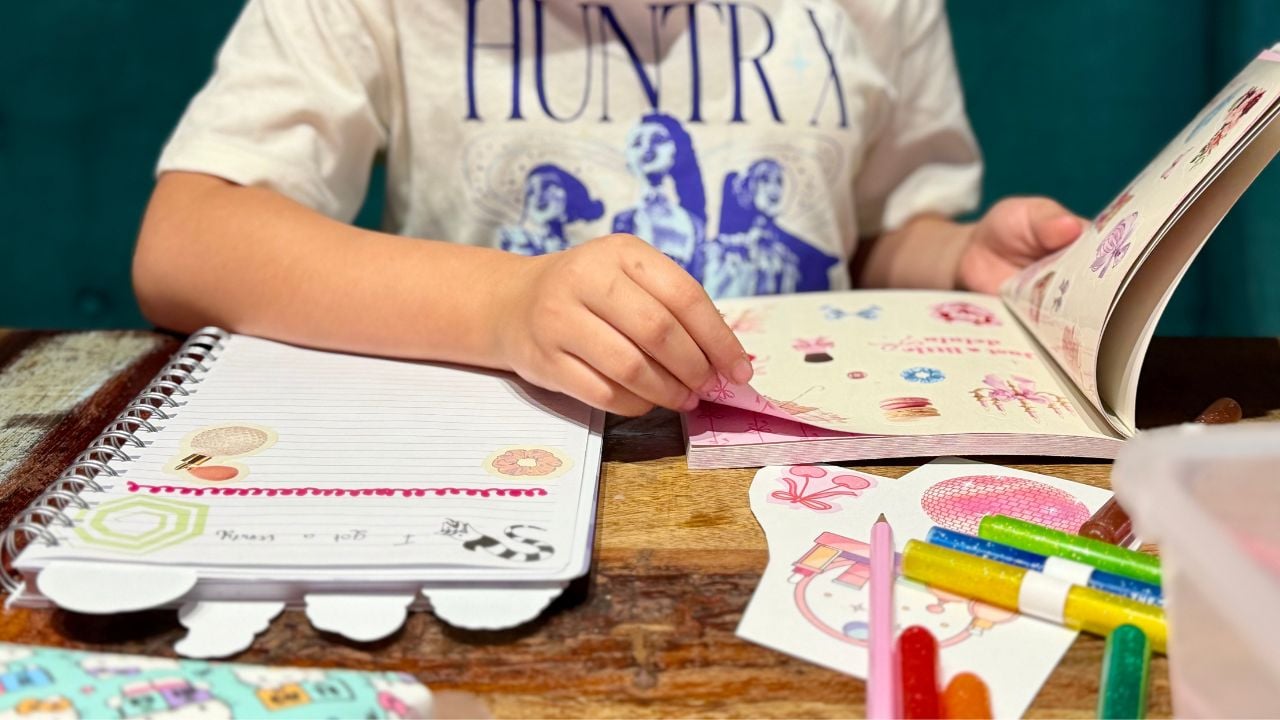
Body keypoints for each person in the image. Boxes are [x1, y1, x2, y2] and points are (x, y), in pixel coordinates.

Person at [133, 0, 1084, 418]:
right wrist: (504, 306)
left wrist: (953, 257)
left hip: (794, 465)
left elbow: (869, 238)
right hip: (498, 457)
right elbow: (188, 239)